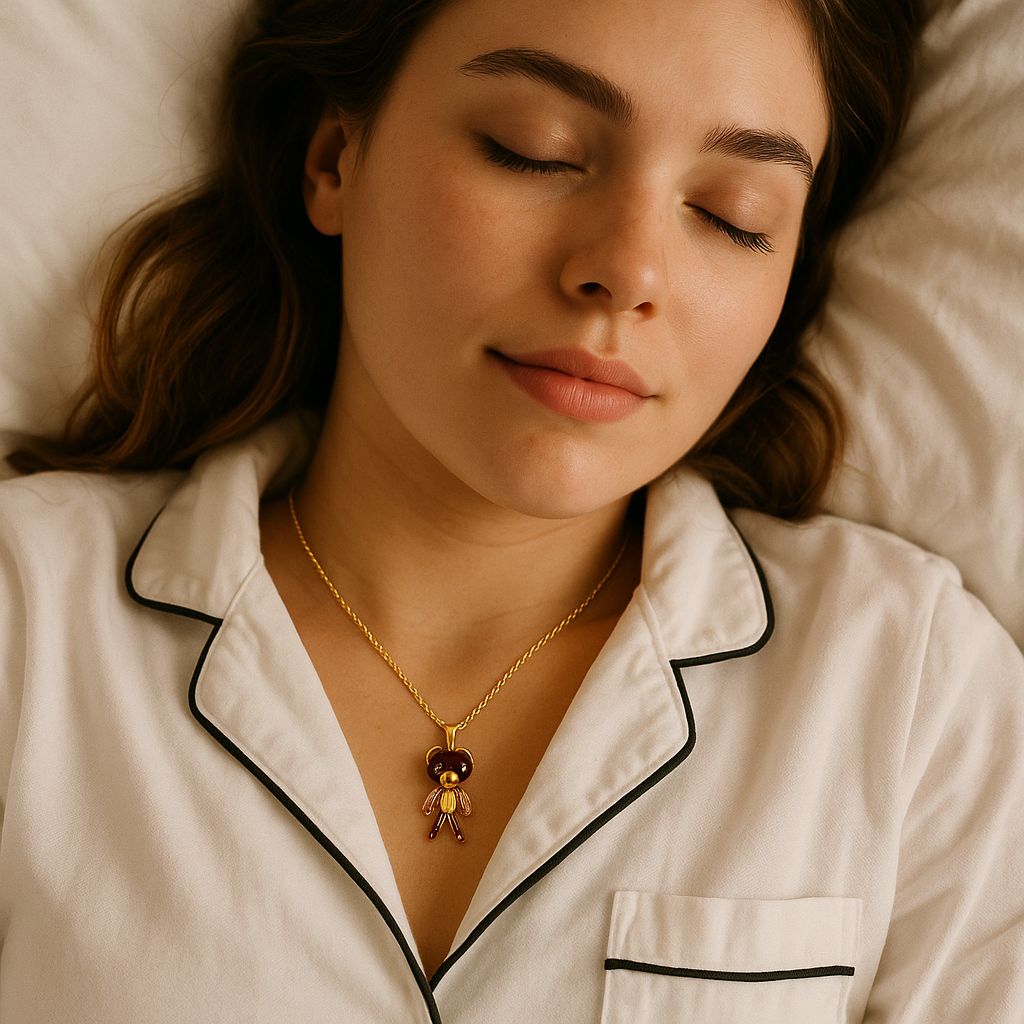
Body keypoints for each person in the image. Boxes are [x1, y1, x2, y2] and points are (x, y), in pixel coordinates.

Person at [1, 0, 1022, 1020]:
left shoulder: (913, 699)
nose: (625, 271)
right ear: (332, 160)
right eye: (533, 151)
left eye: (731, 215)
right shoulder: (29, 622)